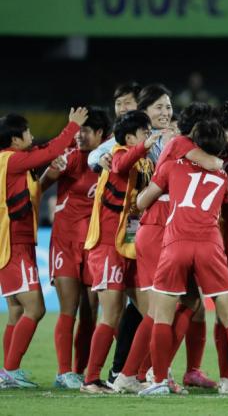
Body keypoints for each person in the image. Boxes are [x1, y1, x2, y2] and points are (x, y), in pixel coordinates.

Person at [135, 117, 228, 396]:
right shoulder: (223, 176)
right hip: (210, 245)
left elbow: (142, 202)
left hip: (175, 244)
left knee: (162, 318)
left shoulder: (171, 167)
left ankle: (157, 381)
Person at [112, 103, 223, 394]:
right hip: (159, 230)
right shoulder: (181, 144)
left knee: (188, 303)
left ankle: (143, 372)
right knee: (158, 311)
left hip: (167, 230)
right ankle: (140, 374)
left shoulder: (182, 148)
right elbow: (214, 165)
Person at [0, 107, 89, 387]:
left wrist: (50, 174)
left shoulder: (11, 166)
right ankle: (10, 371)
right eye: (27, 132)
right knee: (35, 308)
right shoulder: (12, 160)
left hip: (17, 242)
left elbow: (31, 193)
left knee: (16, 310)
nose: (32, 135)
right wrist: (72, 127)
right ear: (15, 139)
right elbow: (49, 151)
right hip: (13, 244)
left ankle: (7, 371)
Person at [80, 111, 158, 394]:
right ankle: (90, 380)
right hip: (107, 246)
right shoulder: (118, 154)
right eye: (144, 132)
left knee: (153, 312)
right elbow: (121, 164)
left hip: (131, 245)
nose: (149, 137)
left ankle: (130, 375)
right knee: (110, 315)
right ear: (130, 137)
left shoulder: (146, 162)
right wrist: (145, 146)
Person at [39, 108, 112, 389]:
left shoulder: (108, 160)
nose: (80, 136)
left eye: (87, 131)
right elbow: (40, 186)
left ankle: (81, 370)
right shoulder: (69, 157)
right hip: (65, 241)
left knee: (91, 309)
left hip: (94, 243)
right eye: (79, 130)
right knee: (68, 306)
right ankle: (63, 371)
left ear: (101, 135)